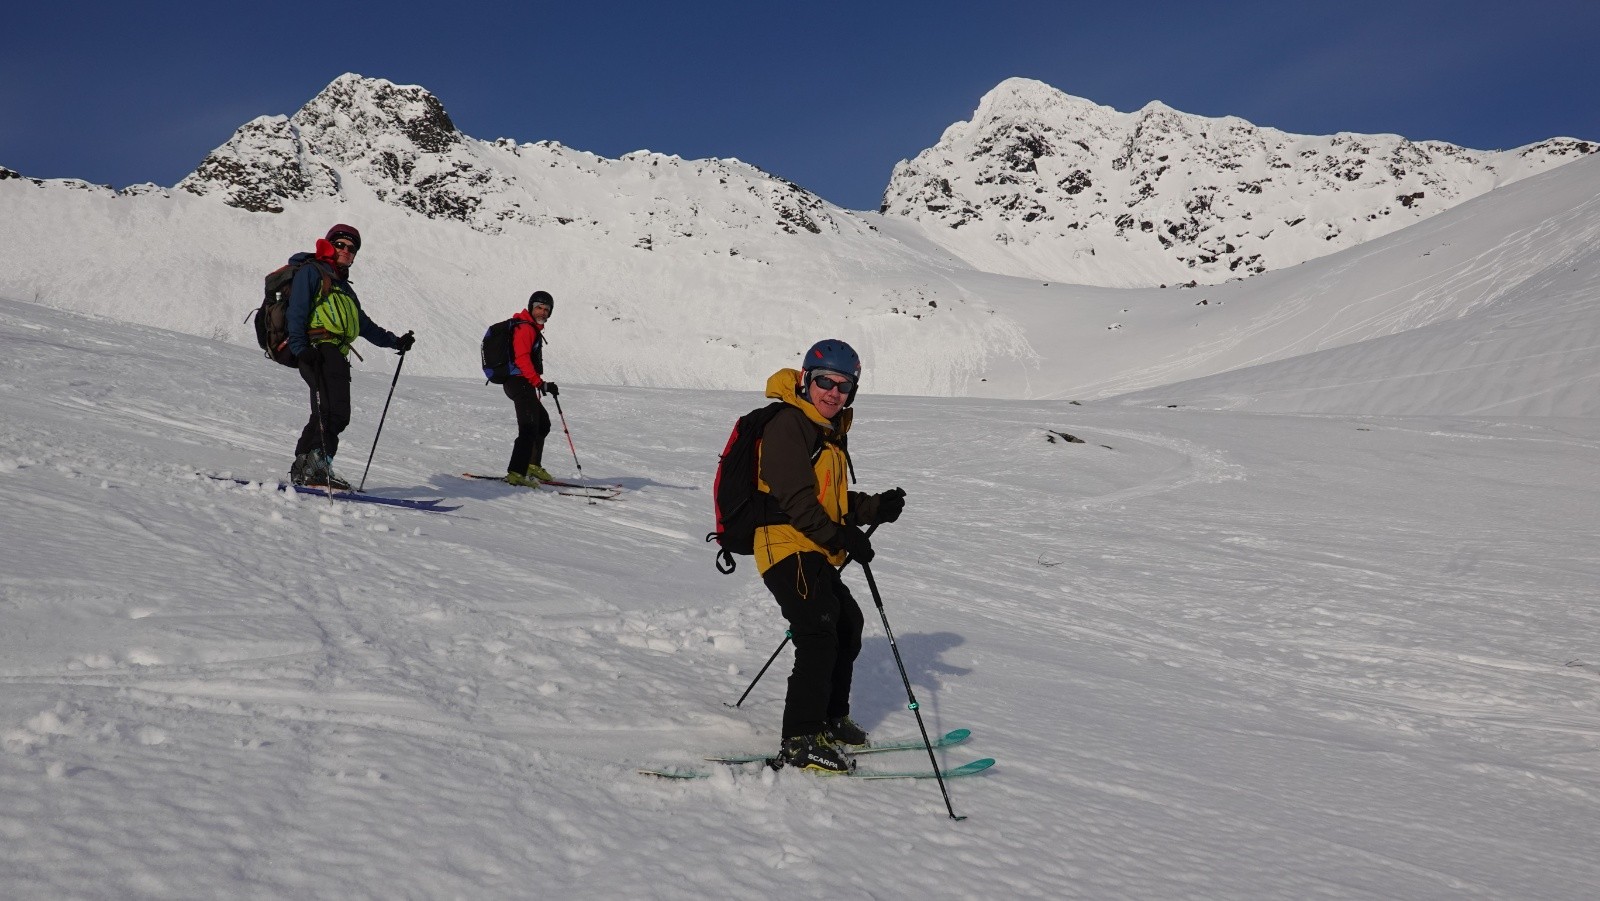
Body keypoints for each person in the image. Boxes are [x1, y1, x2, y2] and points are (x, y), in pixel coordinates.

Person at [753, 338, 907, 773]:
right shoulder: (789, 425)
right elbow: (800, 505)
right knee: (819, 634)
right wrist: (845, 539)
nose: (833, 393)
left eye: (844, 386)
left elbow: (831, 501)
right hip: (784, 547)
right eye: (825, 382)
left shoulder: (826, 431)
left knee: (847, 623)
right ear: (806, 380)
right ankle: (800, 739)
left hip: (812, 547)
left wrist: (875, 507)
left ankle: (830, 719)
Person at [285, 224, 414, 489]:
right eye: (341, 245)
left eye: (352, 248)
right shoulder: (313, 272)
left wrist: (395, 341)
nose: (347, 251)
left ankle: (305, 466)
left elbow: (363, 325)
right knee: (335, 412)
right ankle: (317, 467)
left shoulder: (344, 288)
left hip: (335, 352)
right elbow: (296, 311)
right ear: (329, 245)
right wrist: (301, 349)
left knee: (328, 411)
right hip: (319, 348)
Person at [502, 291, 560, 487]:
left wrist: (539, 382)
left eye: (546, 309)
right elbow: (521, 359)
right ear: (531, 307)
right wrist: (539, 383)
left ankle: (532, 465)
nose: (542, 312)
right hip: (518, 382)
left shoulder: (532, 328)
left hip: (523, 382)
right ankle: (516, 472)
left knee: (542, 424)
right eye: (539, 307)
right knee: (528, 428)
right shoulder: (525, 329)